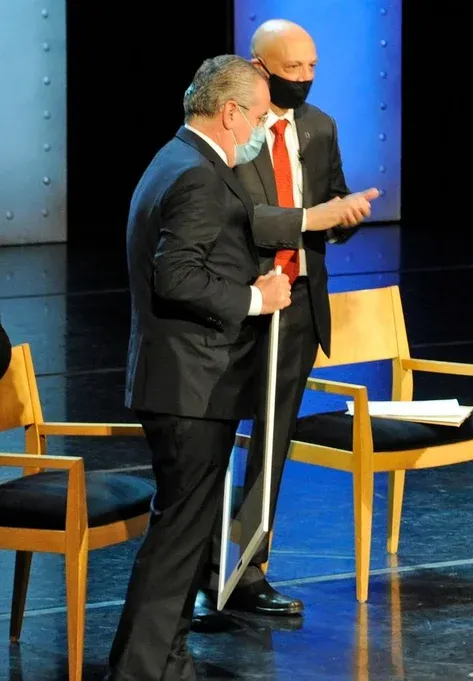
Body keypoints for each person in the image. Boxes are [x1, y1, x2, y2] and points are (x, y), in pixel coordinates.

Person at [108, 55, 291, 681]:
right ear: (230, 112)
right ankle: (140, 668)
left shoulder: (175, 158)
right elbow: (177, 276)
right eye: (260, 117)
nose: (264, 128)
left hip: (183, 382)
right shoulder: (197, 175)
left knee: (186, 536)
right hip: (189, 386)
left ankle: (168, 660)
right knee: (178, 538)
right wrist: (254, 298)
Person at [199, 17, 380, 618]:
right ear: (259, 68)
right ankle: (201, 575)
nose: (303, 78)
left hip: (298, 302)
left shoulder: (319, 126)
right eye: (291, 68)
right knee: (214, 442)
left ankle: (248, 569)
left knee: (273, 441)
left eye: (311, 68)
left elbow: (330, 202)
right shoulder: (234, 128)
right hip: (239, 302)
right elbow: (239, 218)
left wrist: (345, 217)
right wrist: (312, 218)